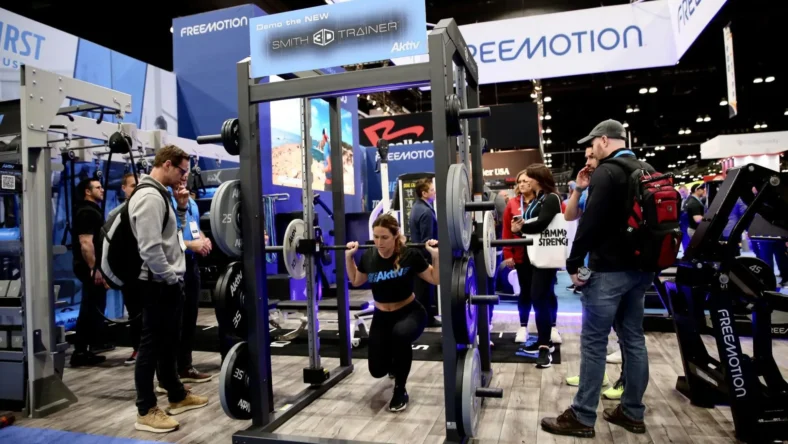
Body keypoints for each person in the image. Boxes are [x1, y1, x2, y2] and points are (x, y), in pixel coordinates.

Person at [541, 119, 654, 438]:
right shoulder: (645, 168)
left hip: (607, 271)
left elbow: (589, 224)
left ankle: (582, 415)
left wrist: (574, 262)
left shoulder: (608, 171)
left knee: (593, 343)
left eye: (593, 144)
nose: (591, 149)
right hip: (640, 270)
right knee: (633, 338)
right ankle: (633, 412)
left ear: (605, 140)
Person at [130, 145, 208, 434]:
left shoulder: (163, 194)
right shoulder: (149, 197)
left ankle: (176, 395)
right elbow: (150, 249)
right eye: (181, 170)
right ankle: (145, 409)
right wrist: (170, 278)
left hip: (168, 281)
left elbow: (173, 235)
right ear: (165, 164)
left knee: (168, 343)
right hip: (157, 283)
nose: (183, 176)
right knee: (150, 347)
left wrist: (184, 207)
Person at [345, 214, 438, 412]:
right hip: (382, 317)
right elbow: (355, 280)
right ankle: (394, 365)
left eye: (384, 237)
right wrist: (348, 257)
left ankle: (400, 390)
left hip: (410, 312)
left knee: (400, 335)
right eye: (376, 237)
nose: (379, 242)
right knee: (377, 370)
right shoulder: (369, 256)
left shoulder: (409, 255)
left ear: (396, 236)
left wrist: (436, 255)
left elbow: (434, 278)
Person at [563, 146, 627, 400]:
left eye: (591, 156)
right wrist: (578, 188)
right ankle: (595, 375)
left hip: (613, 265)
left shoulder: (615, 183)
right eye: (586, 157)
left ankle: (623, 383)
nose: (588, 161)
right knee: (592, 329)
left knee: (623, 331)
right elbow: (569, 216)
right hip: (592, 266)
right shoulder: (590, 187)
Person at [508, 164, 562, 368]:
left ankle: (544, 349)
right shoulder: (539, 199)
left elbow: (542, 224)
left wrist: (521, 228)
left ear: (538, 178)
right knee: (537, 298)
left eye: (529, 177)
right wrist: (520, 229)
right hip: (534, 257)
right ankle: (543, 341)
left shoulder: (551, 198)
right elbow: (532, 226)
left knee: (540, 299)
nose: (525, 181)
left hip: (545, 259)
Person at [168, 174, 213, 385]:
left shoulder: (190, 200)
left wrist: (203, 238)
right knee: (174, 322)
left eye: (186, 173)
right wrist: (190, 244)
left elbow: (193, 226)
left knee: (189, 320)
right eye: (181, 172)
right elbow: (168, 237)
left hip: (191, 266)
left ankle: (185, 367)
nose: (184, 177)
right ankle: (169, 375)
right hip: (174, 265)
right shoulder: (166, 198)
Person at [70, 178, 108, 367]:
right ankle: (80, 352)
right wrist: (94, 268)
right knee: (89, 307)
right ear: (87, 191)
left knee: (93, 306)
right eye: (98, 187)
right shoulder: (86, 212)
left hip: (93, 266)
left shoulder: (91, 210)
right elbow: (86, 243)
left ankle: (86, 349)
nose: (102, 190)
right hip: (89, 267)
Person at [111, 173, 143, 366]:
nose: (136, 189)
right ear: (124, 188)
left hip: (150, 271)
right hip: (129, 275)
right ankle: (138, 350)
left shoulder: (148, 210)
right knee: (134, 314)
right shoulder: (114, 215)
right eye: (132, 186)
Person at [502, 172, 536, 344]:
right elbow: (507, 231)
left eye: (525, 181)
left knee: (545, 293)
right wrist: (507, 253)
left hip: (542, 255)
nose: (522, 184)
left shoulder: (544, 201)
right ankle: (523, 327)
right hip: (521, 255)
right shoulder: (512, 204)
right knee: (524, 292)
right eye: (519, 181)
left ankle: (552, 327)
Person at [408, 177, 440, 327]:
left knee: (422, 291)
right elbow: (427, 239)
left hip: (418, 255)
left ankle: (424, 319)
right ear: (424, 193)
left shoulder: (416, 207)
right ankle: (426, 319)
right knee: (425, 291)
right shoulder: (426, 211)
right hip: (423, 256)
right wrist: (432, 260)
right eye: (432, 190)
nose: (434, 192)